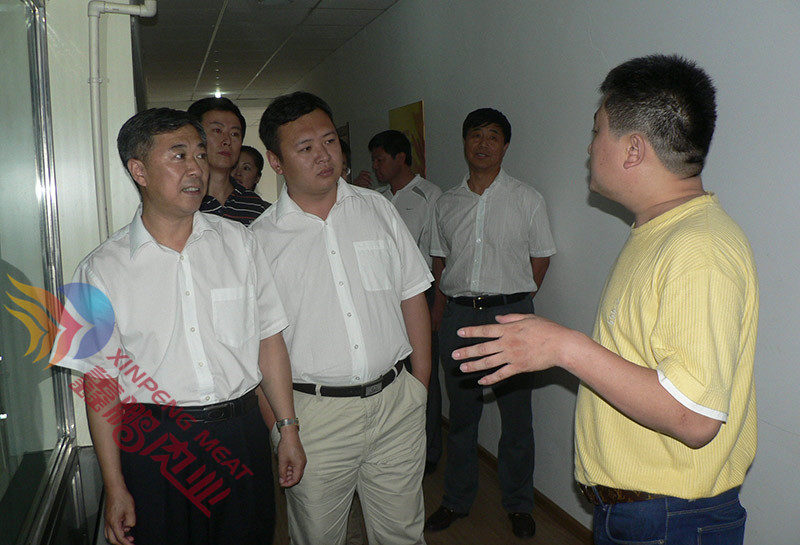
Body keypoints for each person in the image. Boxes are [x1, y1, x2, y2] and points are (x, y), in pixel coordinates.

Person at [453, 55, 758, 545]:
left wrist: (564, 347)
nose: (590, 146)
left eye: (597, 131)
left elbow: (696, 416)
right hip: (648, 514)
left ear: (633, 150)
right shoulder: (660, 233)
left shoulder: (697, 247)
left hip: (670, 520)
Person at [50, 108, 305, 545]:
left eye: (200, 155)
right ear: (139, 171)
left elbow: (269, 341)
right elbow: (100, 384)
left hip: (239, 432)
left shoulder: (240, 244)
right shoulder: (98, 270)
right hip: (155, 445)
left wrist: (287, 429)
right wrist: (114, 485)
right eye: (179, 155)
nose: (196, 168)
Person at [251, 91, 432, 545]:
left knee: (403, 534)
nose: (323, 155)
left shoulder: (378, 209)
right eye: (305, 147)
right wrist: (280, 428)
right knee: (318, 537)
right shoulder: (259, 241)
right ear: (276, 161)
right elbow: (256, 346)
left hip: (396, 403)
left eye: (329, 141)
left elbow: (412, 294)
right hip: (313, 417)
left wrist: (420, 385)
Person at [425, 108, 556, 539]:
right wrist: (443, 307)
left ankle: (519, 504)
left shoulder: (527, 198)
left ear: (505, 146)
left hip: (511, 317)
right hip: (460, 316)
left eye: (493, 136)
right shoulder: (446, 202)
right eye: (475, 135)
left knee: (517, 419)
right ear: (465, 142)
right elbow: (441, 260)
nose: (483, 144)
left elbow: (541, 258)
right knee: (462, 417)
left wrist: (516, 301)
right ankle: (456, 500)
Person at [357, 129, 444, 473]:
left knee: (423, 372)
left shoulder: (429, 195)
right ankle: (391, 445)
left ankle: (428, 450)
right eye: (374, 159)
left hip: (418, 295)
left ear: (400, 158)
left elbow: (438, 255)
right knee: (391, 371)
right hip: (382, 300)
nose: (375, 166)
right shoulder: (376, 198)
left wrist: (437, 306)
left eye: (380, 159)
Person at [187, 97, 269, 224]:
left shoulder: (254, 204)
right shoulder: (184, 200)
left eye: (234, 134)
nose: (227, 141)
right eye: (217, 130)